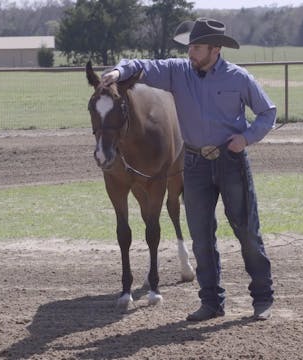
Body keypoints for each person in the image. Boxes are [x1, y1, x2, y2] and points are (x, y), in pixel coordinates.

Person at [101, 17, 276, 321]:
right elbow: (144, 65)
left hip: (230, 161)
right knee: (201, 236)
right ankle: (211, 303)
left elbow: (267, 112)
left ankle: (262, 298)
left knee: (247, 231)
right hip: (193, 163)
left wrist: (246, 138)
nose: (190, 52)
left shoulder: (238, 78)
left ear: (215, 49)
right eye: (190, 46)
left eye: (196, 47)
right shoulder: (179, 72)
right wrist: (118, 71)